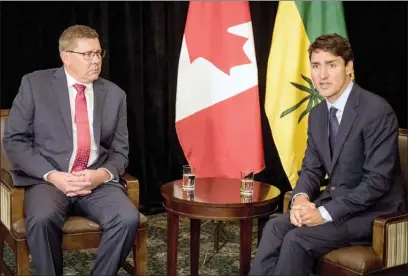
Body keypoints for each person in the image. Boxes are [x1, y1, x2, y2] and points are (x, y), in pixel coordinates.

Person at [249, 33, 406, 276]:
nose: (322, 75)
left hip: (374, 215)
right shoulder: (319, 113)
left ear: (349, 67)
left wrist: (323, 214)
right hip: (335, 204)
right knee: (274, 228)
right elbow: (311, 168)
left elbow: (376, 183)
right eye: (316, 66)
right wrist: (300, 198)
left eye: (331, 65)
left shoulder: (376, 111)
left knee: (296, 239)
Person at [3, 25, 139, 276]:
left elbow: (120, 151)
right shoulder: (35, 84)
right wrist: (53, 176)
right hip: (49, 180)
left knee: (127, 218)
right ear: (66, 57)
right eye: (87, 54)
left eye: (99, 53)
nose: (96, 61)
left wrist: (100, 175)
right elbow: (15, 140)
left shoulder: (114, 95)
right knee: (42, 219)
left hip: (96, 180)